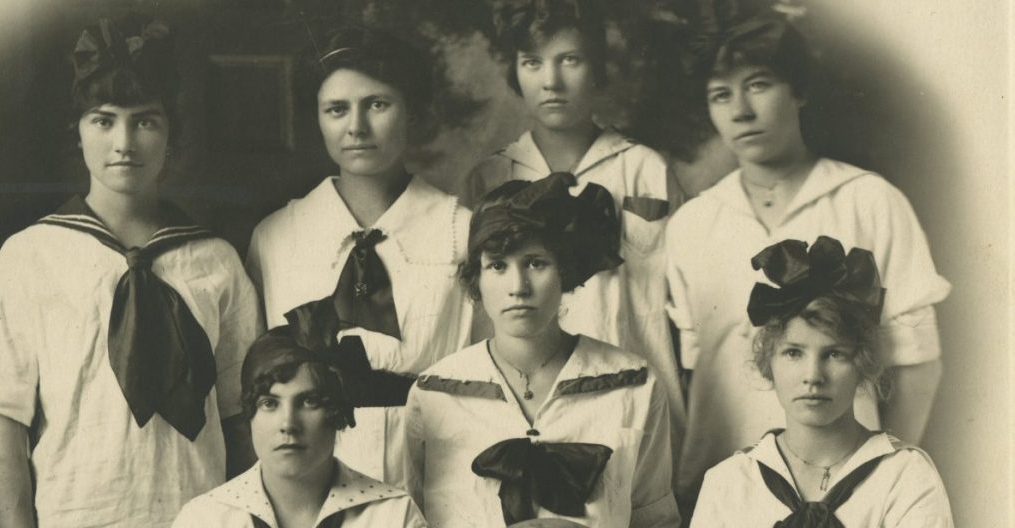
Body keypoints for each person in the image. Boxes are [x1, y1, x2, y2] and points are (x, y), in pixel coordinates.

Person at [0, 14, 262, 527]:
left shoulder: (215, 261)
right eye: (104, 120)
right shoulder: (30, 257)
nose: (125, 142)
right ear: (77, 134)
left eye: (145, 120)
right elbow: (2, 428)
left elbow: (241, 419)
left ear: (171, 135)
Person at [666, 11, 951, 507]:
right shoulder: (693, 222)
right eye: (720, 95)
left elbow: (916, 364)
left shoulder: (869, 201)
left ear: (798, 91)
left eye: (758, 85)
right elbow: (694, 374)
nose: (740, 110)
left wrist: (880, 479)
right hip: (725, 490)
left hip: (847, 489)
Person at [245, 26, 472, 487]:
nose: (356, 127)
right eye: (336, 110)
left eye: (377, 105)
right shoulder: (275, 237)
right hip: (309, 481)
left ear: (412, 112)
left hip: (441, 469)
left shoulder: (461, 232)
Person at [461, 0, 685, 449]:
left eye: (570, 60)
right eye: (533, 63)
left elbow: (688, 306)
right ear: (516, 73)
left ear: (597, 69)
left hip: (634, 403)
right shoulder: (491, 177)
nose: (551, 81)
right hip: (522, 406)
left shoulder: (645, 169)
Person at [405, 173, 680, 527]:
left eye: (536, 263)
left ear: (564, 270)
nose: (517, 287)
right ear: (478, 277)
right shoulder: (433, 395)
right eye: (498, 266)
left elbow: (655, 520)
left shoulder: (634, 385)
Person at [691, 236, 954, 527]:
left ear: (862, 362)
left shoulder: (905, 477)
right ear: (769, 363)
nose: (813, 376)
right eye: (793, 353)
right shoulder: (729, 482)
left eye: (834, 354)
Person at [173, 323, 427, 527]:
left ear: (337, 413)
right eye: (269, 404)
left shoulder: (394, 517)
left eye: (309, 401)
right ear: (250, 415)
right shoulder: (204, 519)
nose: (288, 424)